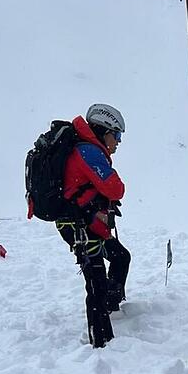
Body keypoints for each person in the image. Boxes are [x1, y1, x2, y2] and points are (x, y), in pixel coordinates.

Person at [56, 103, 131, 348]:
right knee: (96, 281)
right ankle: (101, 343)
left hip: (87, 225)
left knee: (120, 257)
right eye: (116, 135)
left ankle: (112, 308)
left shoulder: (89, 149)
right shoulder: (89, 152)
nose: (118, 142)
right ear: (103, 131)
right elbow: (116, 188)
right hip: (79, 226)